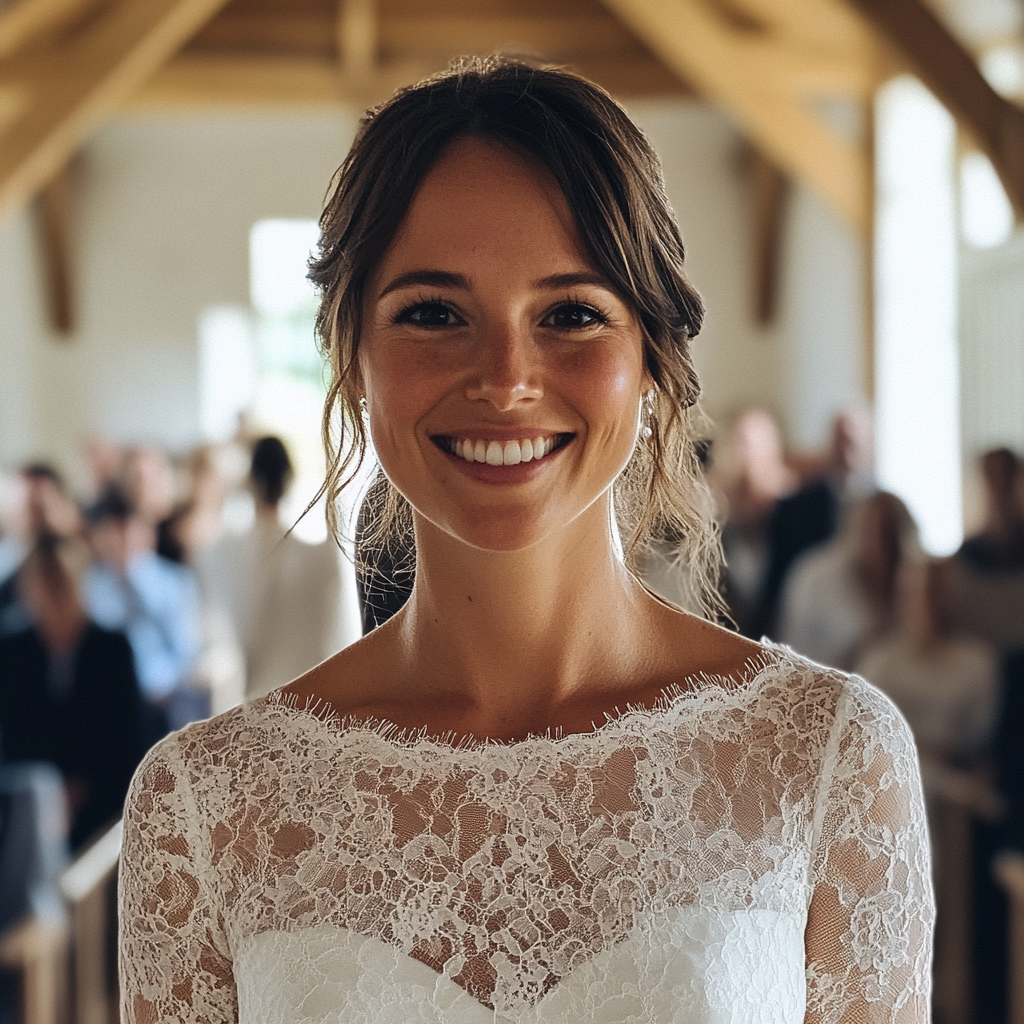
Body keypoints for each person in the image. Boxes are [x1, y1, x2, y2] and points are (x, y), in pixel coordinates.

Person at [119, 58, 933, 1023]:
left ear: (651, 361)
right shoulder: (206, 808)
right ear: (351, 354)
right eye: (433, 313)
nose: (506, 378)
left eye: (571, 314)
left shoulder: (828, 758)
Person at [0, 537, 141, 849]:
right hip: (28, 803)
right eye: (45, 585)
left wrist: (79, 791)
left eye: (62, 583)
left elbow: (127, 737)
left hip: (103, 802)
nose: (54, 596)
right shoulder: (12, 653)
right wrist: (46, 795)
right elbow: (12, 737)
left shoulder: (112, 650)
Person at [198, 436, 356, 700]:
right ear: (290, 479)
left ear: (249, 481)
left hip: (238, 707)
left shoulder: (220, 552)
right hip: (306, 706)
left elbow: (211, 636)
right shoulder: (320, 559)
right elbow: (337, 643)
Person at [777, 491, 917, 672]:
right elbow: (792, 649)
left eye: (889, 533)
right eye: (873, 531)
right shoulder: (815, 578)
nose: (880, 543)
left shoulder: (918, 579)